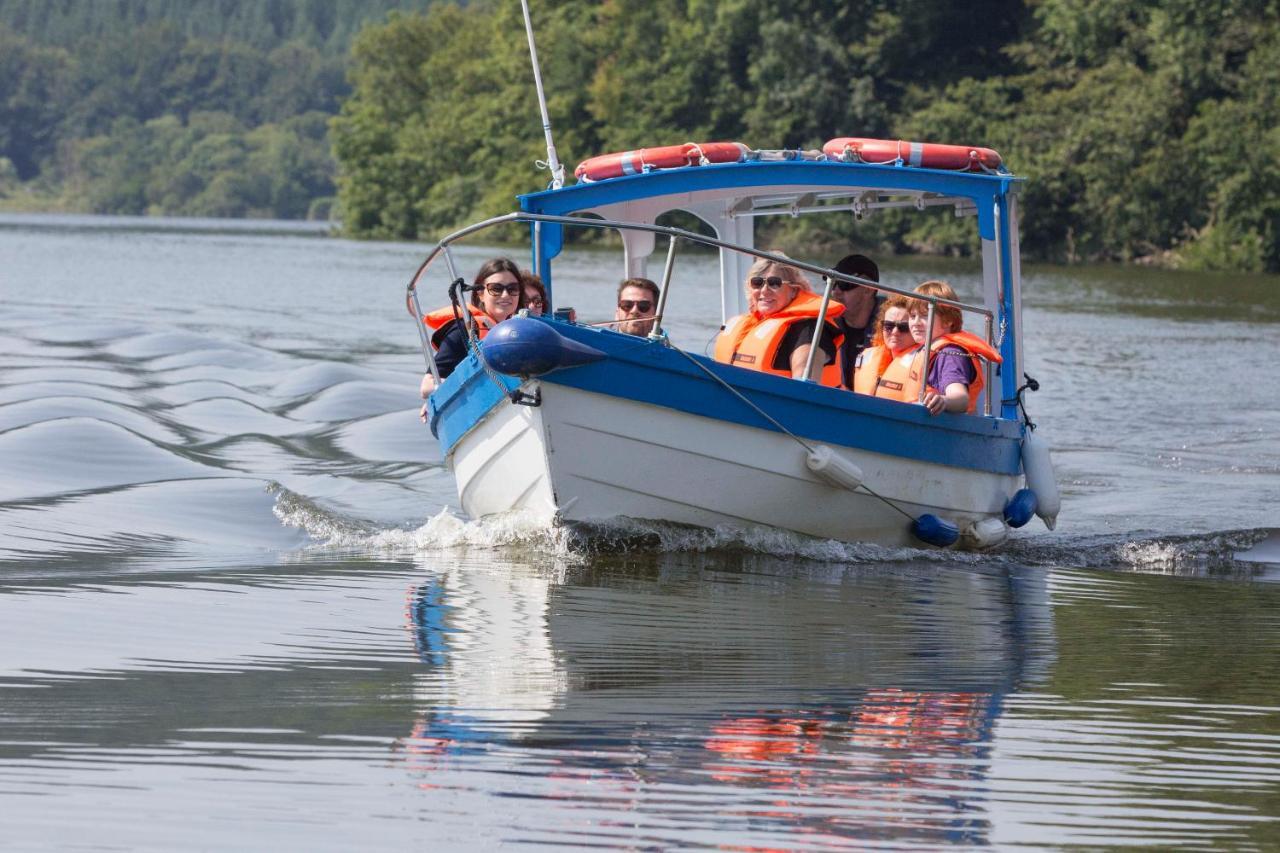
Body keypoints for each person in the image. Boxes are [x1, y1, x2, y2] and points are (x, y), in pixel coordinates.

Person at [713, 256, 844, 384]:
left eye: (774, 283)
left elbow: (807, 393)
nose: (764, 290)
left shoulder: (808, 329)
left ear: (794, 290)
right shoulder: (753, 324)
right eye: (757, 283)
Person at [418, 258, 524, 408]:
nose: (505, 295)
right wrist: (473, 389)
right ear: (480, 294)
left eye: (513, 288)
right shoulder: (466, 329)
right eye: (496, 288)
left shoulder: (521, 332)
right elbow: (427, 386)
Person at [907, 279, 1002, 415]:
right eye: (912, 316)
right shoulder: (926, 349)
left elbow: (961, 398)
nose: (915, 323)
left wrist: (943, 401)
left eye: (924, 316)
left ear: (948, 321)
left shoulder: (950, 354)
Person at [828, 253, 886, 389]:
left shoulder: (896, 327)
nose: (835, 292)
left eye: (844, 284)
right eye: (832, 283)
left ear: (868, 290)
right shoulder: (824, 324)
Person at [851, 296, 919, 396]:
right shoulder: (867, 356)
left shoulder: (925, 362)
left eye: (903, 327)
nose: (895, 332)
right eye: (889, 326)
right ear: (881, 327)